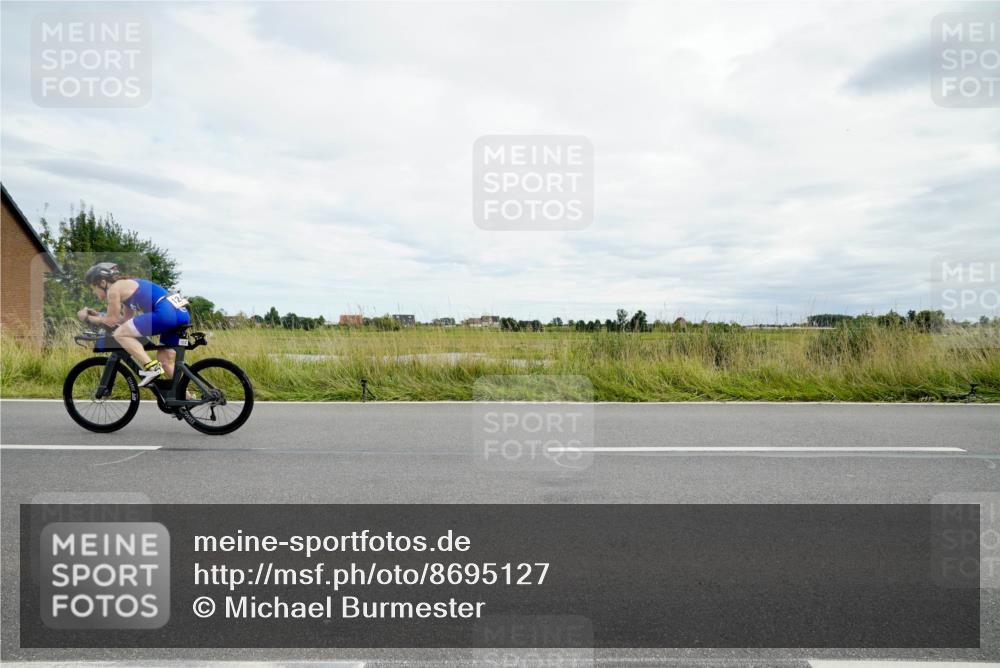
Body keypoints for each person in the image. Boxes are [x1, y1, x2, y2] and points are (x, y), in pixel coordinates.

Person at [77, 262, 191, 387]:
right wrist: (99, 315)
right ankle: (184, 396)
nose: (94, 292)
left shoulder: (113, 290)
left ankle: (152, 368)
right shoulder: (126, 286)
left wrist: (87, 318)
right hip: (180, 313)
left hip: (165, 314)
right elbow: (125, 319)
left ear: (103, 283)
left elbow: (112, 321)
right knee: (165, 361)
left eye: (93, 287)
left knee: (120, 334)